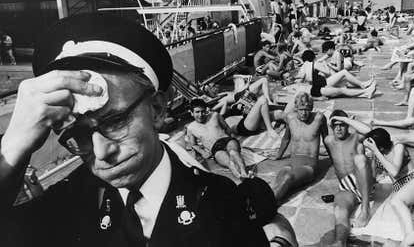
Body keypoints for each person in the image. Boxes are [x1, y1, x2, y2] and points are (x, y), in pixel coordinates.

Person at [0, 13, 270, 247]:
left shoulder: (220, 203)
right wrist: (12, 147)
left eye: (116, 122)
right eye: (79, 136)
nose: (101, 152)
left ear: (157, 109)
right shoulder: (67, 205)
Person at [363, 128, 414, 246]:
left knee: (396, 201)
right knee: (394, 217)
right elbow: (372, 177)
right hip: (400, 188)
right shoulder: (378, 153)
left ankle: (411, 236)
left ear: (380, 147)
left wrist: (375, 151)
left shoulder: (398, 146)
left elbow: (394, 171)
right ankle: (410, 236)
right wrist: (372, 157)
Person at [323, 110, 374, 246]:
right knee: (340, 212)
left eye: (342, 124)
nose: (339, 128)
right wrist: (334, 122)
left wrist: (344, 118)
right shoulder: (329, 141)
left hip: (364, 183)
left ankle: (365, 208)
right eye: (336, 125)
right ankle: (340, 242)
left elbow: (368, 130)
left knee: (360, 159)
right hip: (346, 188)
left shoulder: (356, 138)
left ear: (348, 125)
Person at [271, 92, 328, 202]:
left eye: (307, 109)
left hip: (309, 165)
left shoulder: (319, 118)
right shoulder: (290, 118)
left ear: (311, 108)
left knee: (288, 178)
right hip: (292, 162)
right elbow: (286, 138)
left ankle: (269, 205)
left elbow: (327, 140)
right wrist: (278, 155)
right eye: (301, 110)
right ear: (296, 108)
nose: (303, 113)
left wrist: (334, 158)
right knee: (276, 183)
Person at [186, 99, 248, 178]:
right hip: (215, 148)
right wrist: (202, 152)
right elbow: (193, 144)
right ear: (191, 113)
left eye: (203, 111)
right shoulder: (191, 128)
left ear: (206, 110)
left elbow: (227, 128)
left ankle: (244, 173)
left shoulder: (215, 115)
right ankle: (241, 177)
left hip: (227, 140)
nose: (201, 115)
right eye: (197, 112)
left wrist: (232, 139)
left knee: (233, 152)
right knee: (229, 162)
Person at [296, 50, 376, 99]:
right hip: (323, 86)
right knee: (343, 80)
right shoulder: (314, 64)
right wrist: (325, 65)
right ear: (312, 57)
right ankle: (364, 88)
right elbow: (327, 72)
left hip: (318, 87)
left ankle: (365, 91)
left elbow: (299, 81)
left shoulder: (302, 68)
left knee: (343, 86)